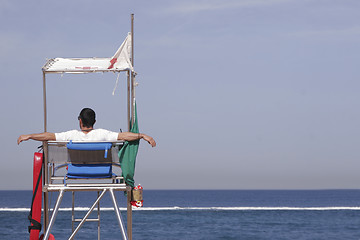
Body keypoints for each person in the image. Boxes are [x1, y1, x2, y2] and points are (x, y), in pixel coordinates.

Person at [17, 108, 156, 147]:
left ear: (80, 121)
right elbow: (124, 136)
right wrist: (142, 135)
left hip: (75, 171)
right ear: (94, 121)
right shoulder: (103, 134)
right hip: (101, 172)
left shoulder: (71, 135)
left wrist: (29, 136)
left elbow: (48, 136)